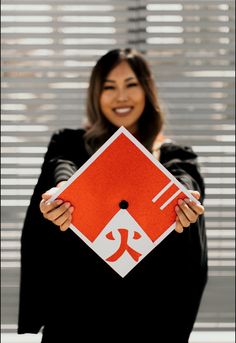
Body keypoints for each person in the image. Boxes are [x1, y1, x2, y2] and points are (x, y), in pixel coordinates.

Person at [18, 48, 208, 343]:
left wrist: (181, 200)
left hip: (148, 321)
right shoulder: (69, 144)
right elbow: (62, 168)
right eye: (109, 87)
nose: (121, 97)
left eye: (131, 84)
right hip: (77, 318)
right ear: (96, 94)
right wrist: (62, 192)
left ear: (147, 90)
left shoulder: (174, 155)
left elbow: (183, 180)